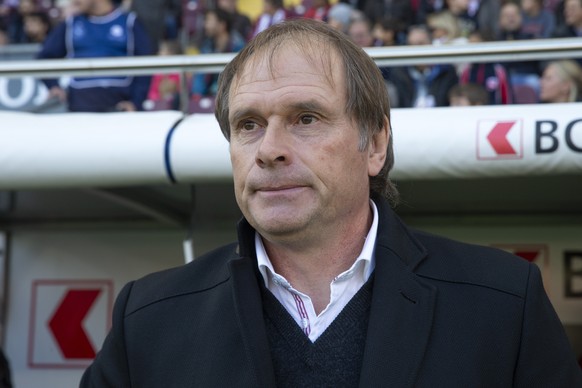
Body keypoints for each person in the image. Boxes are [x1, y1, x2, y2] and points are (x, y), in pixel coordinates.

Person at [80, 19, 582, 387]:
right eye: (248, 124)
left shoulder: (502, 303)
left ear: (376, 144)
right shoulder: (146, 317)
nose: (270, 149)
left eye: (306, 118)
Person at [37, 0, 153, 112]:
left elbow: (145, 65)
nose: (74, 1)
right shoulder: (71, 24)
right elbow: (45, 57)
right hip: (80, 106)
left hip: (120, 106)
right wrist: (53, 86)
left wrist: (136, 102)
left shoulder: (129, 22)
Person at [388, 25, 459, 107]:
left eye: (420, 44)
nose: (415, 50)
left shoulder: (447, 71)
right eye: (411, 45)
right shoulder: (399, 73)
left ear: (431, 44)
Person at [191, 7, 245, 98]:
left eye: (209, 20)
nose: (205, 25)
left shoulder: (238, 46)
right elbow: (200, 75)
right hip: (210, 94)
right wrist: (197, 94)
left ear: (222, 25)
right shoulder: (206, 46)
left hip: (231, 95)